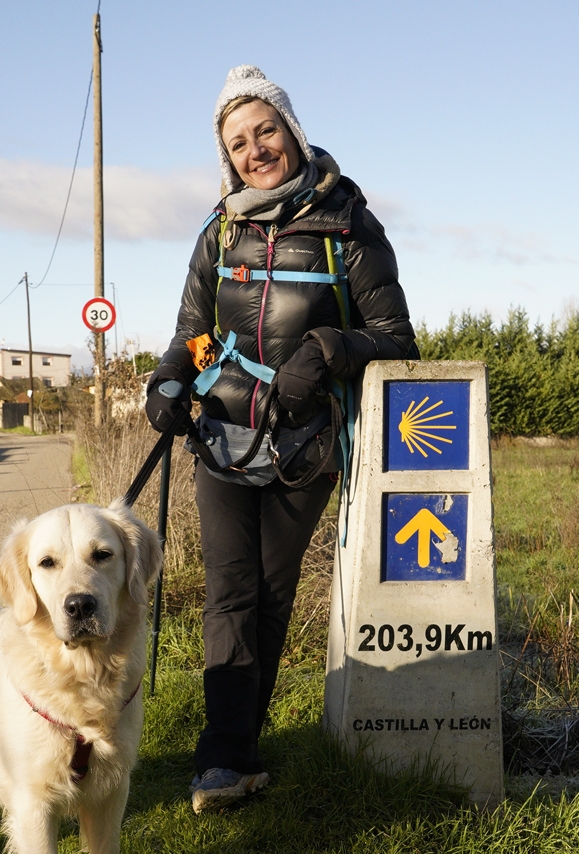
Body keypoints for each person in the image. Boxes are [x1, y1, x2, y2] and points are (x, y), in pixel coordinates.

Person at [146, 65, 417, 814]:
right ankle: (224, 758)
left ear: (292, 131)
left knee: (268, 596)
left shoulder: (350, 225)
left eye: (265, 130)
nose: (255, 149)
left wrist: (329, 348)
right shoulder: (219, 229)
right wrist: (167, 379)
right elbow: (190, 332)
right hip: (222, 440)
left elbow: (396, 339)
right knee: (229, 595)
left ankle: (239, 745)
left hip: (306, 447)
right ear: (226, 155)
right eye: (238, 141)